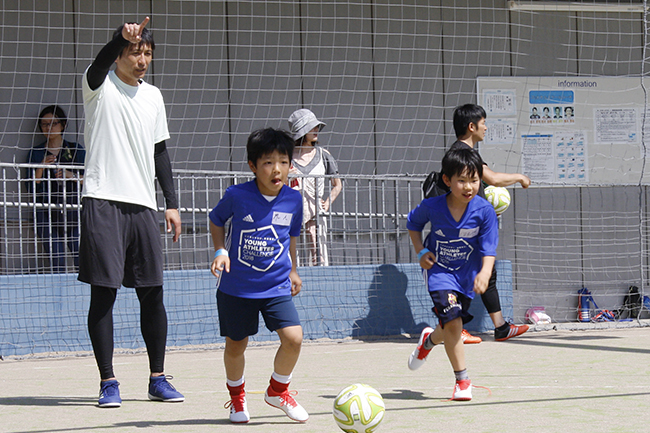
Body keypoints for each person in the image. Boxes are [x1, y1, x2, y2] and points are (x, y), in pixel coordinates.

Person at [79, 18, 184, 408]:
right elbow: (97, 64)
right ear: (120, 55)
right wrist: (116, 39)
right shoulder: (98, 86)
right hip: (103, 199)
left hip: (143, 205)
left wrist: (171, 202)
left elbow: (160, 152)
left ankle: (158, 378)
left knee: (152, 293)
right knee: (103, 293)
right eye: (135, 52)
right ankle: (108, 381)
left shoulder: (154, 96)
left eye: (147, 53)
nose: (142, 59)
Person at [210, 128, 309, 424]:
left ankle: (278, 391)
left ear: (291, 164)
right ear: (253, 166)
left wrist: (293, 269)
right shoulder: (237, 195)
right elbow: (216, 220)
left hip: (276, 285)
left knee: (294, 338)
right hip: (237, 288)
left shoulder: (294, 199)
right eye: (267, 162)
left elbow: (291, 237)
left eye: (283, 161)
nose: (276, 169)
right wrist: (219, 251)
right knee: (236, 345)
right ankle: (237, 400)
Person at [407, 147, 498, 401]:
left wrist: (484, 273)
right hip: (439, 273)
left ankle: (428, 341)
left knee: (449, 327)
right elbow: (413, 224)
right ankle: (463, 380)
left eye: (474, 180)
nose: (469, 187)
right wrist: (420, 251)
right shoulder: (432, 206)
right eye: (461, 180)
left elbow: (489, 247)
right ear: (447, 181)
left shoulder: (485, 211)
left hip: (468, 276)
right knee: (454, 323)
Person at [435, 104, 530, 343]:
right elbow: (494, 179)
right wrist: (520, 177)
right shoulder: (461, 154)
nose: (486, 127)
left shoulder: (466, 153)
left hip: (467, 223)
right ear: (471, 126)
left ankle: (500, 327)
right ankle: (455, 327)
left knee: (488, 273)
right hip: (458, 224)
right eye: (483, 123)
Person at [27, 105, 85, 273]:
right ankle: (58, 296)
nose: (49, 128)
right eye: (44, 124)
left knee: (81, 258)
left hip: (74, 210)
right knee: (56, 261)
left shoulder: (75, 150)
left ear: (63, 125)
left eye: (53, 123)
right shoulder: (36, 153)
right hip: (46, 211)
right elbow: (29, 186)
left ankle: (85, 296)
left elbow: (92, 180)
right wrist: (41, 167)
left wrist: (69, 175)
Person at [288, 109, 342, 266]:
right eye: (311, 127)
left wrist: (328, 201)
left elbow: (337, 184)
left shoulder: (324, 155)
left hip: (316, 210)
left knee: (319, 253)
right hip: (291, 210)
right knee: (292, 254)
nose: (316, 130)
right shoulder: (286, 156)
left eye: (317, 126)